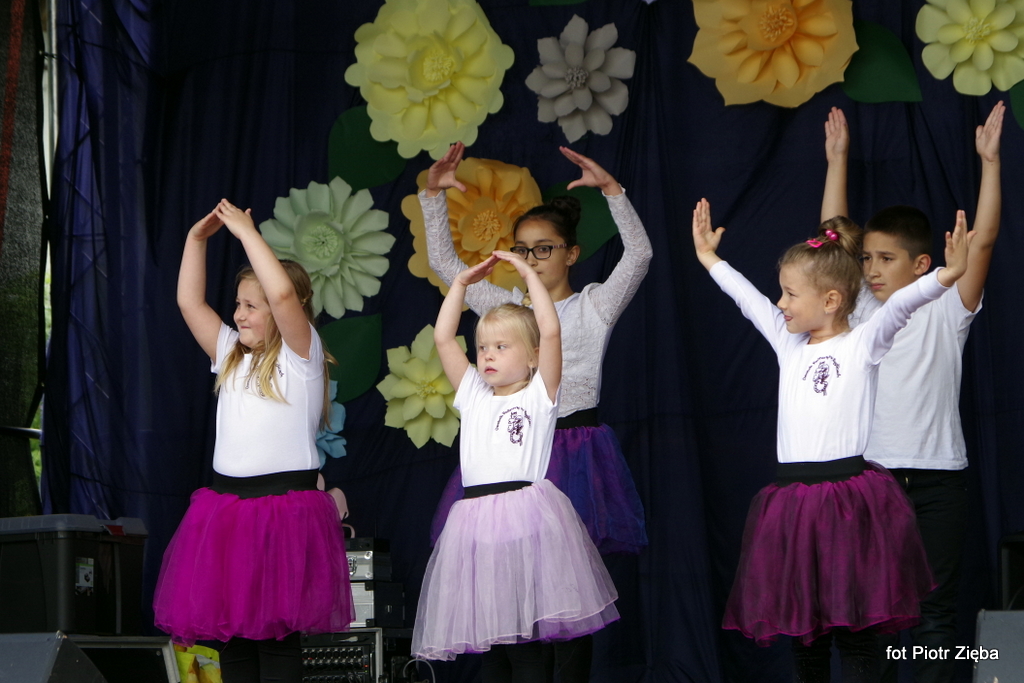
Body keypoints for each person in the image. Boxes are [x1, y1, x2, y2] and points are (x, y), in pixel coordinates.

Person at [691, 197, 971, 682]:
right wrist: (709, 258)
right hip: (794, 504)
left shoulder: (864, 341)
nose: (780, 304)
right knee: (807, 634)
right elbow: (747, 299)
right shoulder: (787, 342)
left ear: (831, 300)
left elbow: (902, 305)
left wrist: (947, 276)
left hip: (848, 501)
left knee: (855, 631)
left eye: (790, 294)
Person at [420, 144, 650, 680]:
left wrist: (613, 191)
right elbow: (447, 268)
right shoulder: (505, 313)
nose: (532, 258)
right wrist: (432, 197)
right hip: (514, 452)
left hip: (576, 452)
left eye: (543, 249)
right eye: (522, 249)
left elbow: (638, 256)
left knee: (566, 590)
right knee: (509, 591)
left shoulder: (594, 304)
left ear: (572, 253)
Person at [820, 102, 1004, 683]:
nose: (872, 269)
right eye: (867, 259)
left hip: (938, 482)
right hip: (871, 481)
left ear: (922, 263)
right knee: (871, 617)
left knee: (933, 616)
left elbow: (984, 239)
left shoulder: (949, 305)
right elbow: (832, 239)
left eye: (886, 259)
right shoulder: (858, 309)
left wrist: (990, 163)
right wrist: (837, 159)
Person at [154, 199, 354, 683]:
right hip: (228, 513)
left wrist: (247, 233)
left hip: (282, 513)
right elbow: (189, 303)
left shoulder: (301, 358)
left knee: (277, 640)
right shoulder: (230, 354)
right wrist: (195, 240)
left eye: (250, 306)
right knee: (236, 640)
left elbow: (282, 295)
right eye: (238, 304)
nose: (238, 315)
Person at [411, 250, 619, 682]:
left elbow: (551, 329)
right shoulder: (473, 394)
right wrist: (460, 285)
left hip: (525, 519)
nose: (487, 355)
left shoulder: (539, 394)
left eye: (501, 347)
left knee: (526, 645)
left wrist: (527, 273)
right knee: (492, 647)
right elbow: (444, 338)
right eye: (483, 347)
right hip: (476, 524)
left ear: (532, 357)